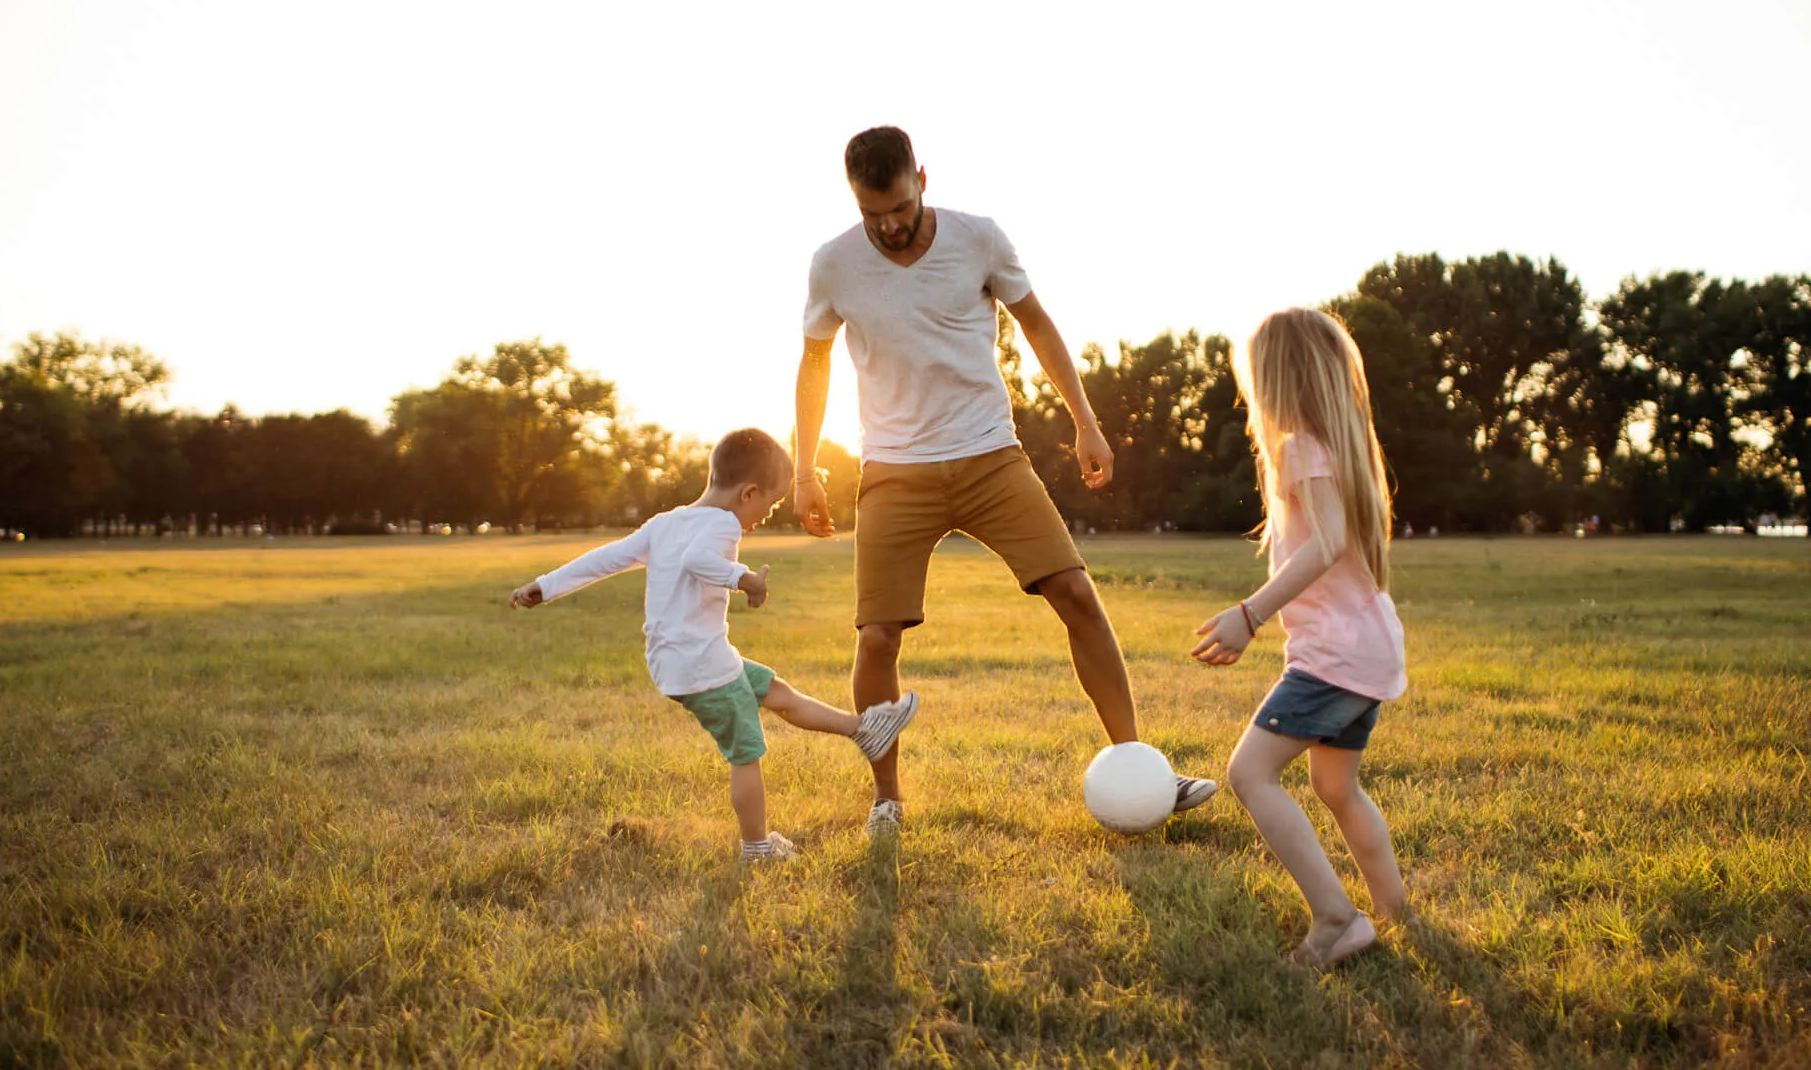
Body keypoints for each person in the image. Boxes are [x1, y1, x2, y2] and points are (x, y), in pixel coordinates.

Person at [795, 125, 1217, 837]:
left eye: (899, 207)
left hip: (991, 454)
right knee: (875, 640)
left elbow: (1038, 325)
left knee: (1076, 593)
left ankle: (1141, 765)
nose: (891, 227)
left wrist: (1085, 420)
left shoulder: (979, 238)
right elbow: (814, 362)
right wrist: (802, 464)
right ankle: (887, 798)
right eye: (875, 216)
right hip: (895, 470)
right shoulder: (833, 264)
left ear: (921, 178)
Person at [509, 428, 920, 862]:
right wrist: (744, 579)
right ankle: (757, 846)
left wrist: (546, 585)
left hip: (681, 661)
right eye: (771, 503)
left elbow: (607, 558)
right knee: (746, 751)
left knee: (774, 690)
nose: (767, 513)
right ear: (749, 493)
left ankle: (864, 730)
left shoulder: (665, 523)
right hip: (702, 665)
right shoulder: (723, 523)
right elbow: (698, 561)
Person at [1190, 307, 1409, 968]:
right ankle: (1397, 913)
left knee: (1250, 773)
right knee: (1337, 788)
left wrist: (1249, 615)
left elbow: (1325, 546)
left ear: (1276, 381)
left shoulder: (1300, 449)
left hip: (1335, 658)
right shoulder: (1336, 448)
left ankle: (1338, 920)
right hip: (1366, 650)